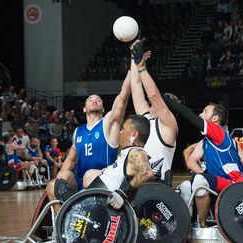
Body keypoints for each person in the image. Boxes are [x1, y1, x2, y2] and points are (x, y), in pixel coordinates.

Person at [46, 70, 131, 211]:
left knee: (89, 174)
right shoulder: (78, 132)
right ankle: (61, 226)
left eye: (98, 100)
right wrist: (60, 177)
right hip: (80, 180)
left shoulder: (108, 123)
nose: (94, 100)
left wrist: (132, 66)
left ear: (103, 108)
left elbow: (123, 96)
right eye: (90, 99)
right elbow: (71, 161)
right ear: (85, 109)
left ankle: (87, 216)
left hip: (103, 177)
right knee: (57, 182)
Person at [162, 97, 243, 228]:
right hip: (218, 181)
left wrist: (168, 101)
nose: (201, 114)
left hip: (233, 183)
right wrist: (204, 173)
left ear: (214, 119)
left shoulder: (219, 132)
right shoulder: (206, 141)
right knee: (185, 186)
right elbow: (190, 161)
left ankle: (202, 225)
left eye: (205, 112)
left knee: (200, 182)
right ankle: (186, 224)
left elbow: (190, 117)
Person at [129, 40, 178, 183]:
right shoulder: (146, 118)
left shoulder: (169, 125)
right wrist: (134, 58)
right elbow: (135, 84)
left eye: (166, 101)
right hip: (135, 184)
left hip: (158, 185)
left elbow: (154, 95)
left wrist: (142, 68)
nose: (162, 100)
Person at [83, 115, 154, 210]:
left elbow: (146, 173)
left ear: (134, 134)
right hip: (92, 199)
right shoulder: (129, 152)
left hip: (98, 205)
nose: (120, 132)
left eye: (123, 129)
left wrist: (123, 193)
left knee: (58, 186)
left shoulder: (136, 152)